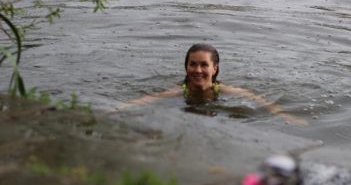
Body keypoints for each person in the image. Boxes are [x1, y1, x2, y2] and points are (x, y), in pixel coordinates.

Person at [116, 43, 307, 126]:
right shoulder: (179, 91)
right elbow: (146, 100)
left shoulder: (222, 90)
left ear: (214, 68)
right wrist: (114, 110)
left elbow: (255, 98)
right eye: (193, 64)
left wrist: (284, 115)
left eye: (203, 65)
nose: (197, 70)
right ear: (186, 66)